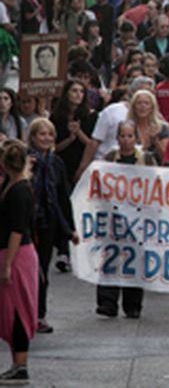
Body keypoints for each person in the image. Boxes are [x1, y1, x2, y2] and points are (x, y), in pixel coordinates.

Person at [25, 119, 77, 334]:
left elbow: (63, 197)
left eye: (50, 135)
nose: (46, 138)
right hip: (26, 225)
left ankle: (39, 314)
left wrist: (70, 229)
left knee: (42, 271)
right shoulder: (25, 161)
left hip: (48, 223)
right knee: (26, 272)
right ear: (33, 137)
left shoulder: (56, 163)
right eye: (41, 134)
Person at [95, 122, 149, 319]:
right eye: (123, 136)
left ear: (136, 138)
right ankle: (107, 302)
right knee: (111, 258)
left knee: (134, 259)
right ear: (117, 138)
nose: (126, 140)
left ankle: (132, 304)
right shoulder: (110, 158)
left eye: (130, 136)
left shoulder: (146, 159)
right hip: (113, 216)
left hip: (138, 217)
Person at [0, 142, 37, 384]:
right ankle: (16, 362)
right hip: (13, 252)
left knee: (17, 310)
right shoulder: (10, 185)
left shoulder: (20, 190)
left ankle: (21, 364)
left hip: (17, 254)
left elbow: (17, 230)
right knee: (10, 309)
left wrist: (7, 265)